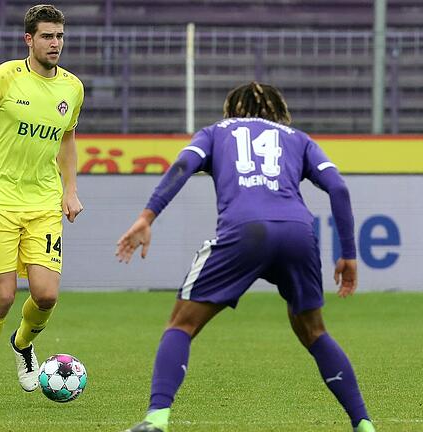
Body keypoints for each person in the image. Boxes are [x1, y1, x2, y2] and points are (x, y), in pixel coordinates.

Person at [116, 82, 375, 432]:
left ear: (232, 109)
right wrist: (349, 253)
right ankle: (363, 424)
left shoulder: (214, 132)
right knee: (314, 333)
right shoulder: (297, 138)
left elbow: (182, 165)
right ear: (279, 110)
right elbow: (339, 187)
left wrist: (147, 217)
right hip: (297, 233)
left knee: (181, 325)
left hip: (244, 232)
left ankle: (156, 420)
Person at [0, 4, 84, 406]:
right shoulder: (2, 79)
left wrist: (69, 190)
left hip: (42, 201)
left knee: (46, 295)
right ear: (29, 39)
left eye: (59, 36)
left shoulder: (72, 87)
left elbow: (68, 138)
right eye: (46, 36)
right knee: (3, 297)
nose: (55, 43)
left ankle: (22, 346)